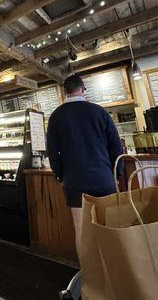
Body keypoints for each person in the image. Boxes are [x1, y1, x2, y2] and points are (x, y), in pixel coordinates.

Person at [47, 74, 123, 261]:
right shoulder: (100, 112)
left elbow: (52, 151)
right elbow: (116, 148)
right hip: (104, 179)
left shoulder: (56, 116)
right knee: (108, 226)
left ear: (65, 92)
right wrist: (117, 173)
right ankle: (113, 272)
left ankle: (89, 276)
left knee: (81, 229)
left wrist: (60, 175)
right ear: (83, 89)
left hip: (74, 181)